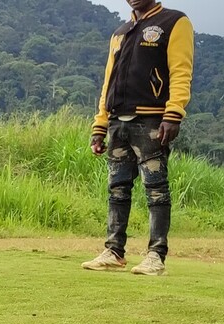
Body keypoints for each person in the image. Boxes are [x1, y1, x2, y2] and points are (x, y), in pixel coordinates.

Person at [83, 0, 193, 276]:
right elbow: (108, 81)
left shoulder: (174, 22)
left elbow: (181, 71)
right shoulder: (121, 32)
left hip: (153, 120)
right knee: (117, 188)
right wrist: (100, 124)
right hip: (118, 121)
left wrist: (174, 113)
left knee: (156, 189)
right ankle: (114, 251)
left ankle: (156, 255)